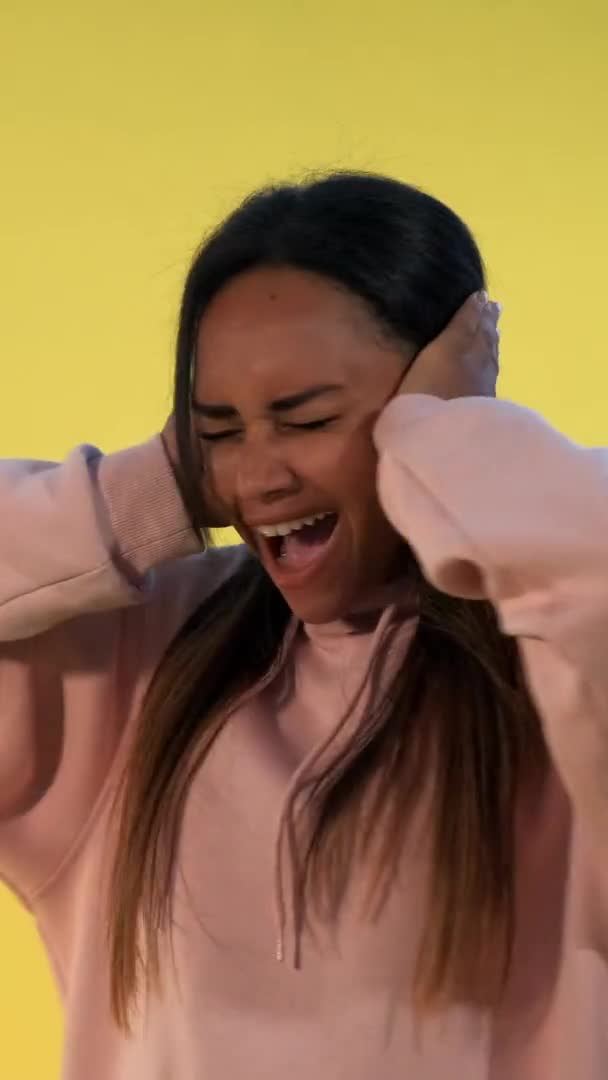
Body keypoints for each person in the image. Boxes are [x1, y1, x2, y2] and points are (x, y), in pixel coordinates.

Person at [0, 172, 606, 1080]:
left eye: (306, 419)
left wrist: (449, 437)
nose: (257, 480)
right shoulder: (136, 667)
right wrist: (152, 489)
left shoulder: (555, 680)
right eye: (221, 431)